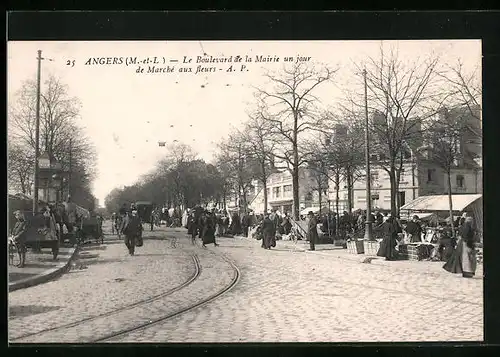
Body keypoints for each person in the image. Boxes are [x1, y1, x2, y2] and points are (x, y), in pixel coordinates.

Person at [443, 213, 478, 278]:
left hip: (463, 243)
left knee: (465, 258)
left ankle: (466, 272)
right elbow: (466, 236)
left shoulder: (464, 226)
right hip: (466, 243)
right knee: (467, 258)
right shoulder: (467, 227)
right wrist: (470, 243)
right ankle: (467, 272)